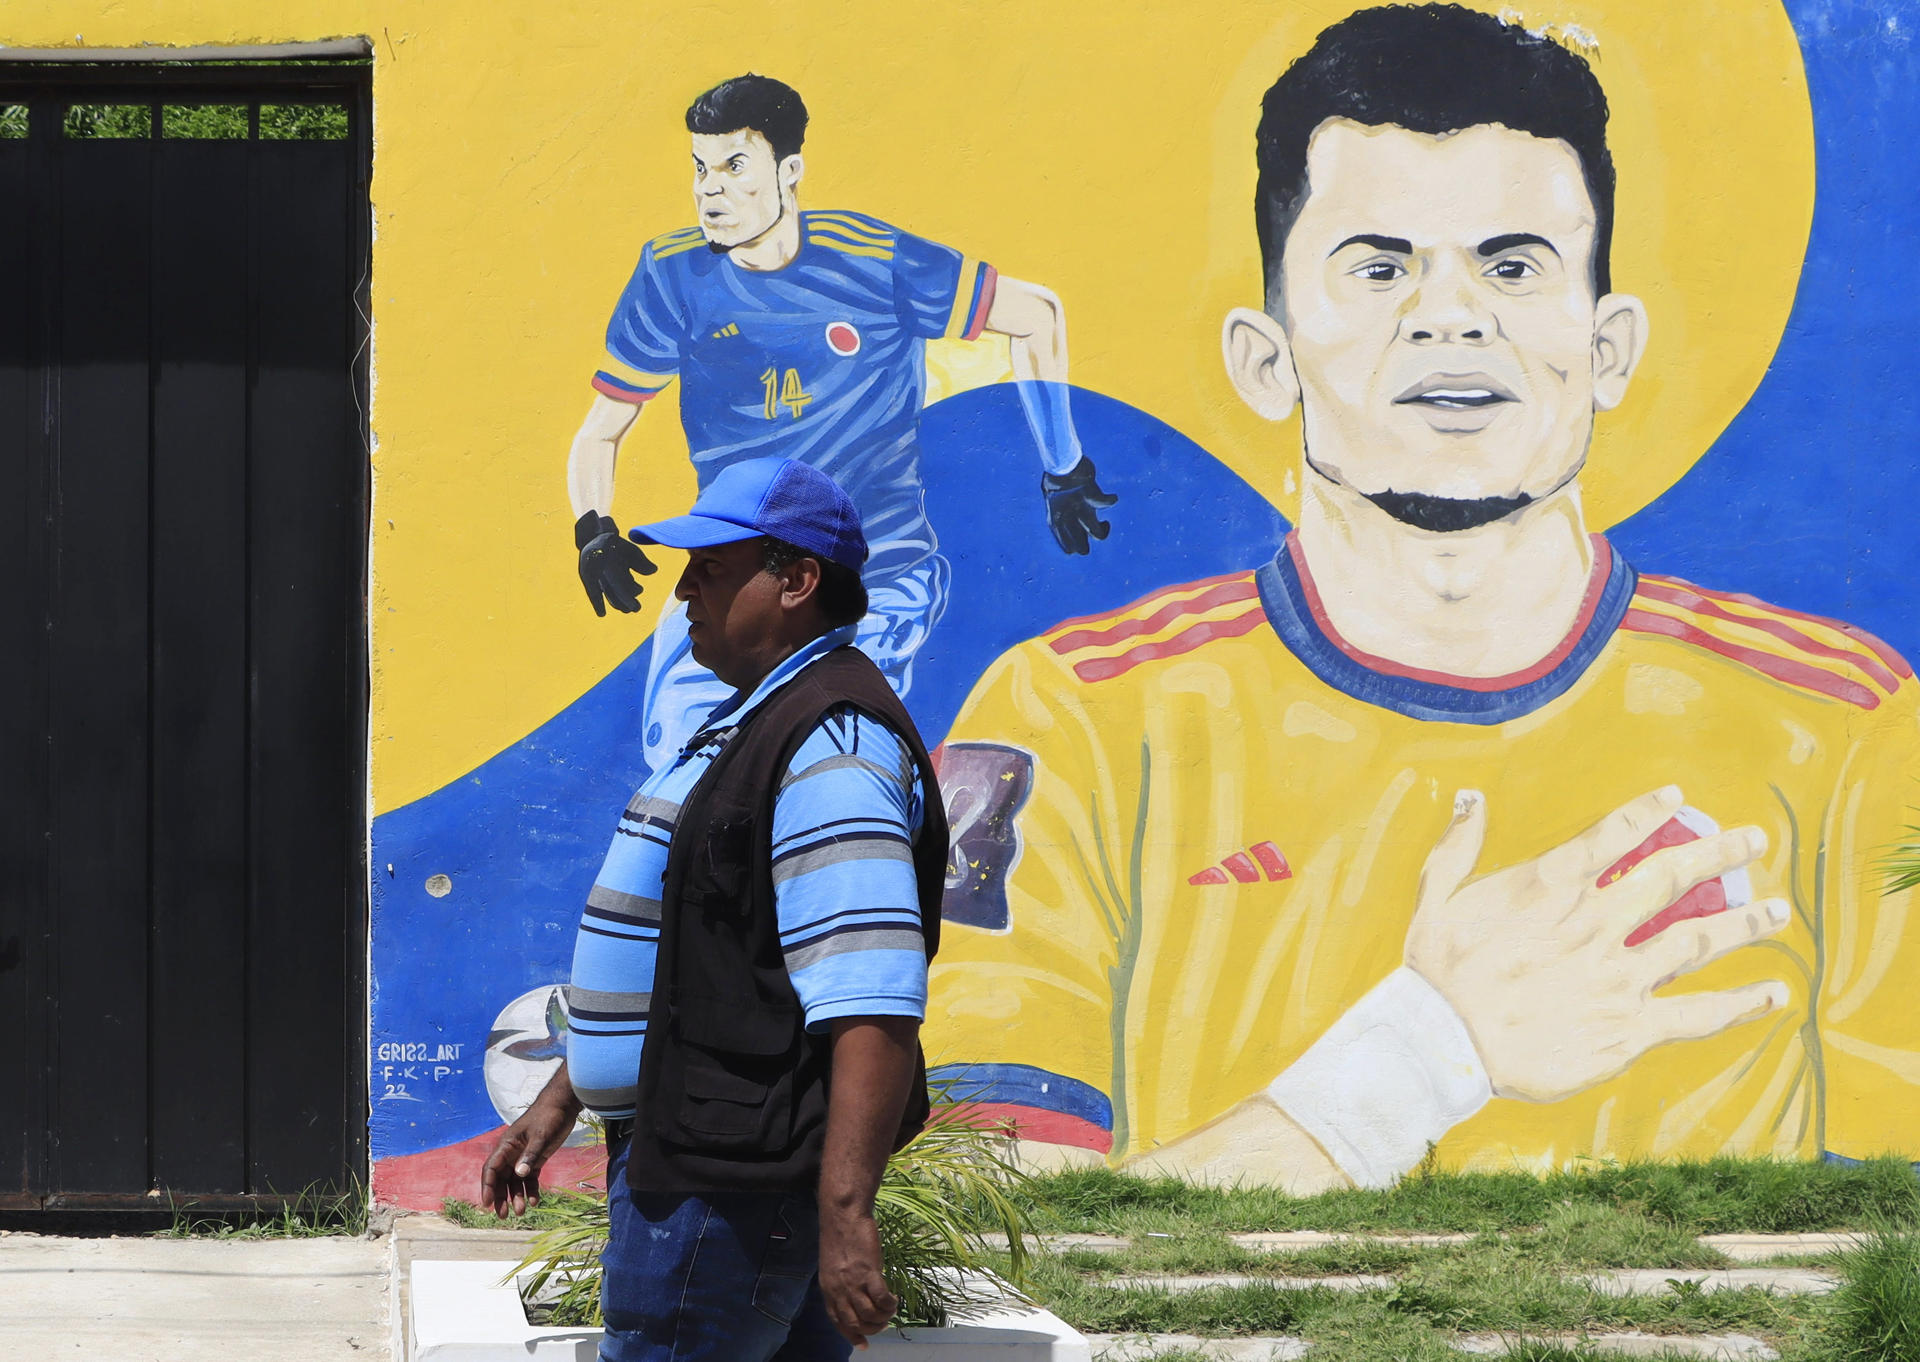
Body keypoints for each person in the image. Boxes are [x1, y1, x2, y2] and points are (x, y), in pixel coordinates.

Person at [923, 4, 1920, 1189]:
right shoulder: (1070, 720)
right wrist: (1427, 1058)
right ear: (1264, 355)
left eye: (1512, 265)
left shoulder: (1849, 727)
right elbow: (980, 1251)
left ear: (1608, 348)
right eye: (1381, 266)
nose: (1451, 316)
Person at [485, 457, 949, 1357]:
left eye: (710, 568)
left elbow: (872, 995)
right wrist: (564, 1095)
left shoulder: (831, 744)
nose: (684, 589)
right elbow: (688, 956)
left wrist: (847, 1215)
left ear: (798, 582)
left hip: (732, 1193)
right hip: (701, 1165)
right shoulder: (756, 719)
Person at [568, 73, 1118, 771]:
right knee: (688, 785)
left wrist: (1065, 469)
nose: (711, 189)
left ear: (788, 170)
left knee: (820, 767)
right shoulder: (672, 275)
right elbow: (602, 429)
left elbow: (1035, 315)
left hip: (868, 577)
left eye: (736, 167)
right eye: (700, 169)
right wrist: (594, 530)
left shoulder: (873, 259)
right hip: (729, 574)